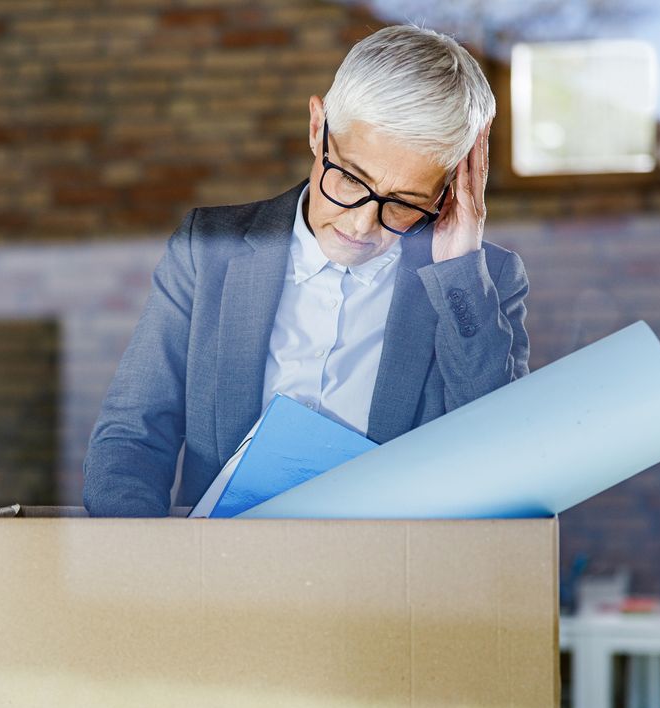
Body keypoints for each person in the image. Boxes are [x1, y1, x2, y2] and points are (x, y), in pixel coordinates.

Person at [84, 25, 528, 517]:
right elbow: (133, 437)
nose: (363, 224)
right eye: (351, 178)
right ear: (318, 128)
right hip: (214, 577)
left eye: (404, 204)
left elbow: (501, 462)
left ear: (447, 193)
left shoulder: (487, 282)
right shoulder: (207, 250)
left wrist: (461, 270)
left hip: (390, 582)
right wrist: (142, 568)